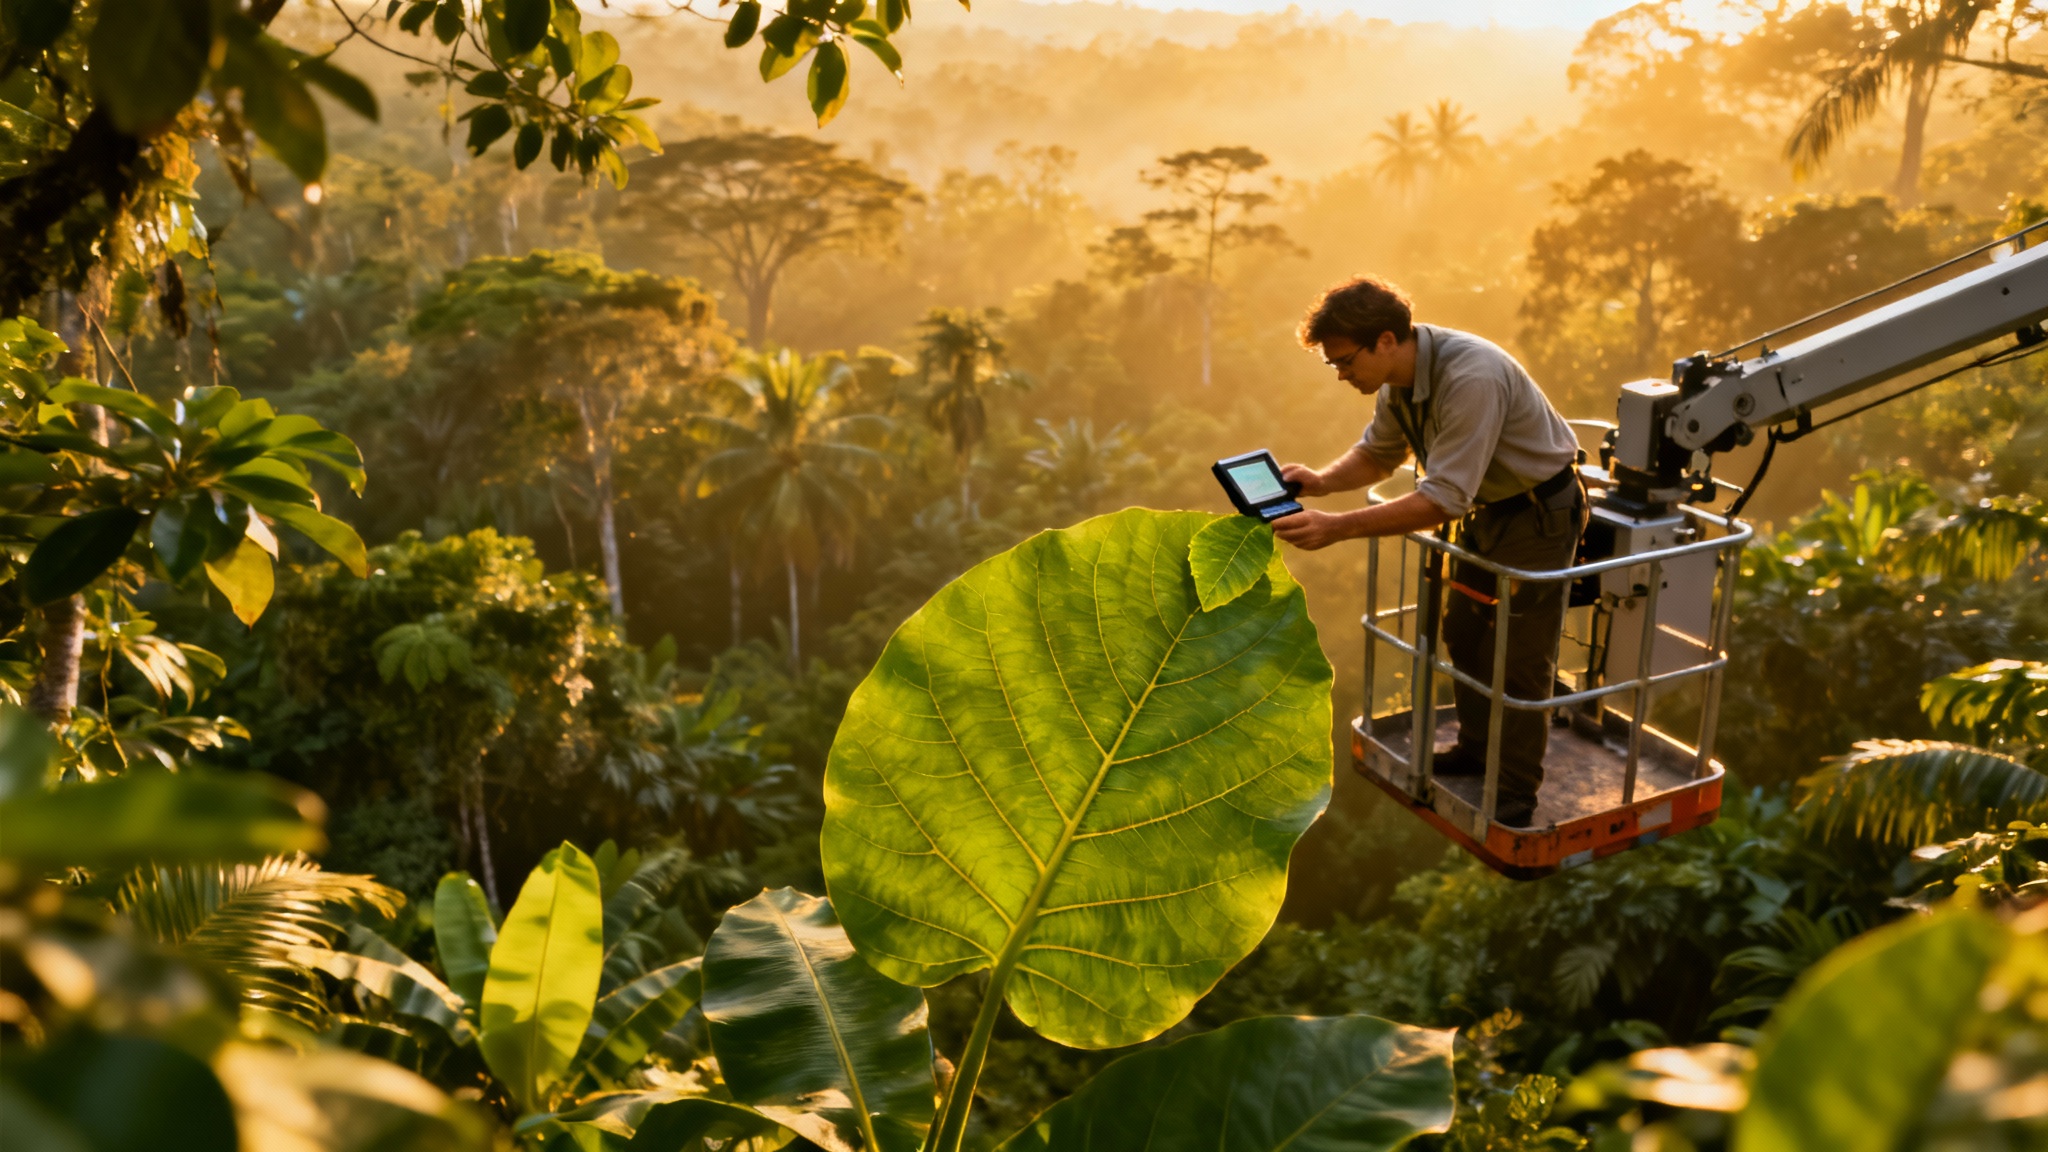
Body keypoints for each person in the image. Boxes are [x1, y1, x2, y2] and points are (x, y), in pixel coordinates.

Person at [1273, 275, 1587, 828]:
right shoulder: (1398, 379)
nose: (1341, 374)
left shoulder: (1471, 378)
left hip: (1538, 515)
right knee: (1463, 630)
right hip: (1487, 513)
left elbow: (1442, 499)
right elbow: (1378, 455)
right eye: (1333, 364)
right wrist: (1321, 482)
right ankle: (1475, 749)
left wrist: (1338, 527)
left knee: (1520, 657)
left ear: (1385, 340)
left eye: (1344, 361)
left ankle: (1515, 790)